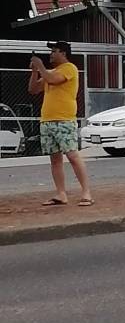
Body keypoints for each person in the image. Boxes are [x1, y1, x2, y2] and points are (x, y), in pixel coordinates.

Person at [28, 41, 94, 206]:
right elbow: (33, 89)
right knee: (55, 159)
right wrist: (35, 71)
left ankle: (86, 193)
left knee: (72, 155)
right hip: (47, 120)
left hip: (64, 119)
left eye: (54, 51)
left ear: (63, 53)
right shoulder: (51, 72)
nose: (51, 54)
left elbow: (53, 80)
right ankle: (61, 194)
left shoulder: (69, 68)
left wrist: (41, 66)